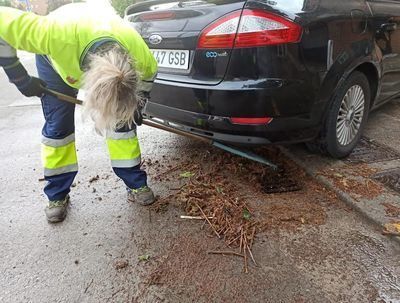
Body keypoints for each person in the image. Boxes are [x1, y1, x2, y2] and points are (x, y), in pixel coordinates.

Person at [0, 3, 158, 223]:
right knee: (59, 127)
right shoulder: (51, 33)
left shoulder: (140, 56)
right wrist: (19, 78)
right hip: (55, 61)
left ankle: (135, 182)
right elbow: (1, 23)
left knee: (123, 123)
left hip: (95, 38)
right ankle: (57, 194)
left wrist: (138, 106)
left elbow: (147, 82)